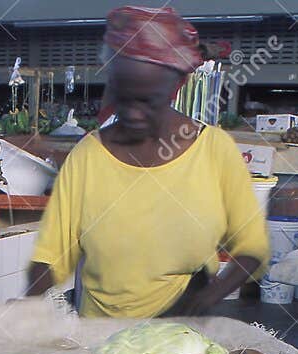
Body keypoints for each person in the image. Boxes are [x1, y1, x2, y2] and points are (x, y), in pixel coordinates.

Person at [26, 6, 269, 318]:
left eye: (147, 101)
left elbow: (251, 249)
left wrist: (208, 296)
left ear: (175, 88)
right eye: (122, 97)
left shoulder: (214, 151)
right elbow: (52, 254)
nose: (132, 114)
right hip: (99, 339)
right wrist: (27, 303)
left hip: (180, 332)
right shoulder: (87, 156)